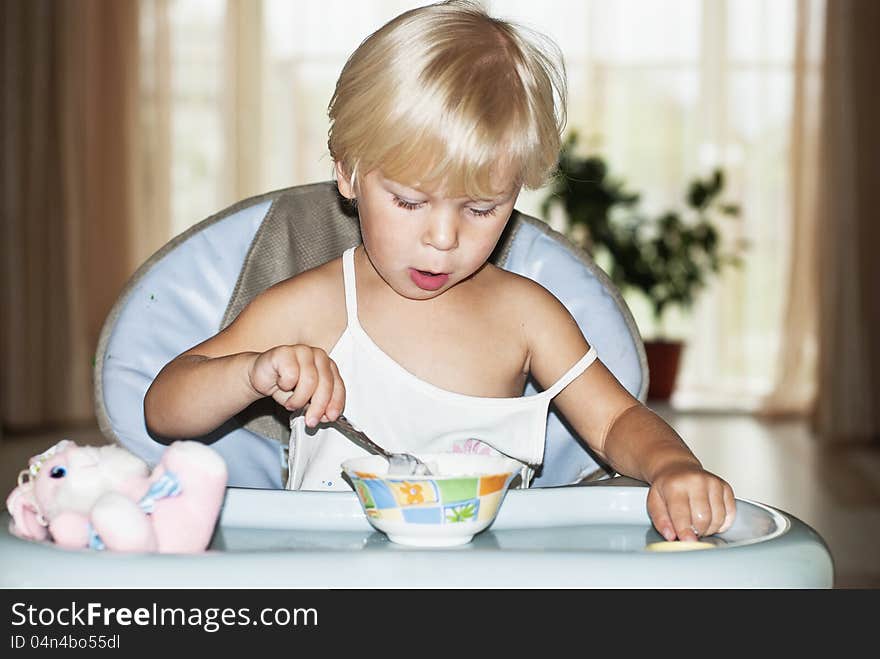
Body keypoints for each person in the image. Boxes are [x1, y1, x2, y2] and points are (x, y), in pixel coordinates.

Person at [144, 0, 735, 542]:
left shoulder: (527, 317)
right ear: (348, 174)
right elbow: (164, 408)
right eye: (409, 202)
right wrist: (252, 372)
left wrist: (673, 466)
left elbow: (618, 422)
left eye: (481, 209)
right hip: (326, 575)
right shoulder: (313, 307)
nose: (444, 238)